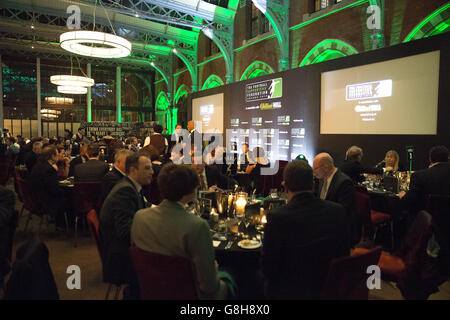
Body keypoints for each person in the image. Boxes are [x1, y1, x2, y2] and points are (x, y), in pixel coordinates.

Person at [131, 164, 229, 299]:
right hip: (188, 295)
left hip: (151, 290)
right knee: (236, 276)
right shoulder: (197, 226)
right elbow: (209, 287)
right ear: (193, 190)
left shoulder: (139, 217)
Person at [261, 160, 350, 299]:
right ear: (313, 185)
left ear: (285, 186)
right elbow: (344, 254)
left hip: (289, 292)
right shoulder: (337, 211)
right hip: (330, 289)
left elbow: (269, 269)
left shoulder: (277, 217)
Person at [99, 152, 153, 298]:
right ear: (134, 171)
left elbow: (145, 206)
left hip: (121, 248)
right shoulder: (125, 190)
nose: (152, 172)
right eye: (147, 168)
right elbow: (125, 232)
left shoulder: (131, 186)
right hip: (121, 257)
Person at [313, 153, 356, 245]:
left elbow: (343, 211)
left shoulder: (344, 182)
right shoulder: (322, 179)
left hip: (337, 229)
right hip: (324, 222)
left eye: (316, 168)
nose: (314, 172)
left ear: (325, 167)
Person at [399, 145, 450, 211]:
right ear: (448, 158)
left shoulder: (419, 176)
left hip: (426, 218)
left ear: (430, 159)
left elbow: (409, 200)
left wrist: (403, 196)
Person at [29, 145, 68, 227]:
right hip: (47, 202)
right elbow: (54, 190)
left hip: (36, 198)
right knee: (70, 198)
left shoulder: (38, 165)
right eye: (57, 154)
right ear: (52, 156)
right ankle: (66, 225)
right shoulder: (49, 169)